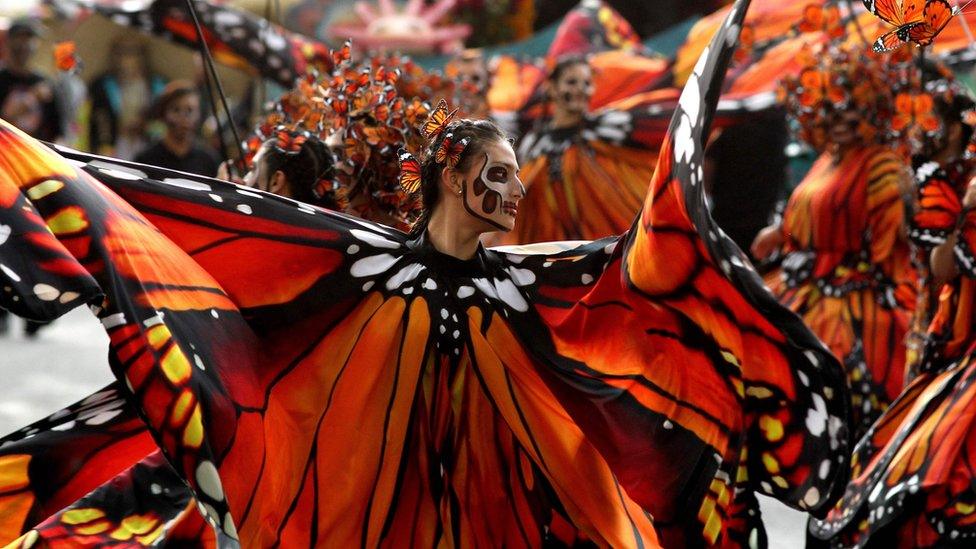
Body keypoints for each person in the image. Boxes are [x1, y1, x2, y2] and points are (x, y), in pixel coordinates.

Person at [0, 4, 852, 546]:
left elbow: (639, 275)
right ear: (443, 174)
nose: (512, 187)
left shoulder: (524, 268)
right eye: (493, 173)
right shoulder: (334, 269)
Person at [809, 88, 976, 548]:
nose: (918, 129)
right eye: (914, 118)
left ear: (958, 126)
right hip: (941, 321)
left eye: (928, 118)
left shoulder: (911, 172)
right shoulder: (925, 177)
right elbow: (935, 264)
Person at [752, 51, 916, 440]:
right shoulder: (827, 158)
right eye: (829, 109)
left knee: (835, 410)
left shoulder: (882, 165)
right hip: (802, 291)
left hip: (855, 307)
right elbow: (808, 212)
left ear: (872, 108)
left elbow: (890, 249)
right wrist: (781, 232)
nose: (838, 119)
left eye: (850, 109)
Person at [496, 55, 674, 244]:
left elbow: (658, 129)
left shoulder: (609, 127)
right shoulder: (533, 145)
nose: (581, 89)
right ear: (552, 88)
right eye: (572, 82)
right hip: (557, 252)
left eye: (587, 83)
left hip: (612, 242)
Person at [0, 17, 63, 337]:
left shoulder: (45, 83)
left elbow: (57, 132)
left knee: (35, 240)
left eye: (31, 39)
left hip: (33, 171)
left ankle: (34, 312)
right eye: (21, 38)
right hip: (1, 171)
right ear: (10, 42)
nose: (26, 45)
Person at [89, 34, 166, 159]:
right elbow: (94, 119)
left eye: (133, 52)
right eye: (121, 51)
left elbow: (164, 124)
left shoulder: (157, 87)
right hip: (113, 148)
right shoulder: (102, 86)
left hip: (147, 147)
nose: (126, 58)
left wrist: (145, 127)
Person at [134, 80, 221, 177]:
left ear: (199, 114)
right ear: (163, 114)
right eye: (176, 110)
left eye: (190, 111)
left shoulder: (208, 160)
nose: (183, 118)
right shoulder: (146, 160)